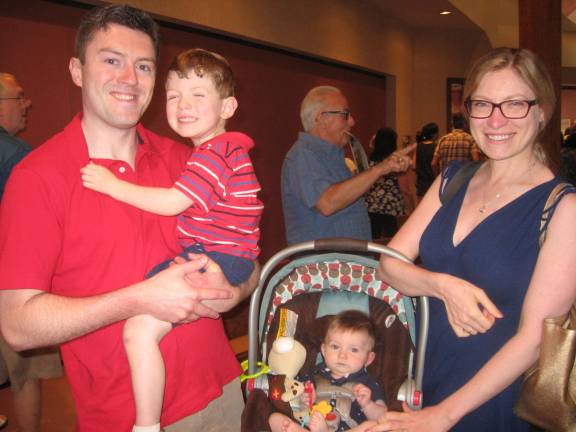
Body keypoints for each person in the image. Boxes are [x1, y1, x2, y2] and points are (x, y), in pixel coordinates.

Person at [0, 5, 259, 432]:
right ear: (77, 70)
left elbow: (246, 254)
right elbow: (18, 325)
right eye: (111, 60)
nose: (129, 79)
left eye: (143, 66)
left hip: (224, 392)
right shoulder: (37, 178)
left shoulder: (188, 158)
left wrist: (235, 289)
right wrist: (138, 299)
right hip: (127, 417)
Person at [372, 47, 576, 432]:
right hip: (421, 376)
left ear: (542, 110)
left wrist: (444, 415)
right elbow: (389, 264)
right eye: (483, 104)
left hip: (491, 399)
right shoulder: (453, 178)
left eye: (514, 103)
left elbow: (535, 339)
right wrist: (441, 286)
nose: (496, 120)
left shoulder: (563, 208)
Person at [80, 47, 262, 432]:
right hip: (220, 255)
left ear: (228, 106)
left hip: (216, 257)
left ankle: (146, 425)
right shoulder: (219, 151)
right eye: (174, 95)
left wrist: (113, 185)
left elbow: (171, 202)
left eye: (198, 95)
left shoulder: (217, 153)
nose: (183, 105)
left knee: (138, 331)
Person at [0, 72, 64, 432]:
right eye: (18, 97)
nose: (27, 105)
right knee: (25, 373)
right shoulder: (18, 157)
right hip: (12, 282)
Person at [281, 86, 413, 245]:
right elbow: (327, 203)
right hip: (323, 266)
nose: (352, 121)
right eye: (345, 115)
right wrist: (380, 168)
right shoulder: (302, 155)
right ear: (321, 118)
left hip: (343, 263)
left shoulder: (333, 157)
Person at [268, 310, 387, 432]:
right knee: (275, 419)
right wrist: (304, 399)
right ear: (324, 350)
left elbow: (383, 418)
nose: (342, 355)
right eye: (335, 347)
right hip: (311, 425)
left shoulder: (368, 383)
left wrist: (367, 405)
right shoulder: (314, 373)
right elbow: (295, 398)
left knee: (372, 425)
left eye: (354, 350)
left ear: (368, 358)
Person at [365, 128, 405, 239]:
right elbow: (404, 186)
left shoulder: (369, 160)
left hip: (372, 204)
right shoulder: (394, 161)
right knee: (391, 239)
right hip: (390, 205)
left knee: (374, 237)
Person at [413, 122, 438, 201]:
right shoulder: (436, 147)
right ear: (434, 134)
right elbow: (436, 165)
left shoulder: (419, 146)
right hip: (433, 183)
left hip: (421, 184)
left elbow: (414, 165)